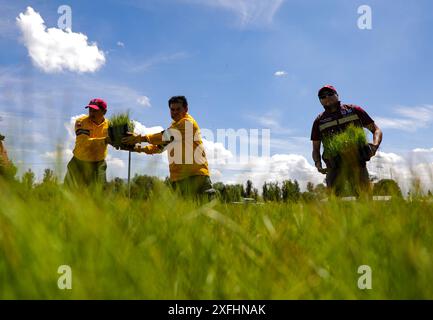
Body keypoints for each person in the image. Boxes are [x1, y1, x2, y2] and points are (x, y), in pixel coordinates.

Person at [122, 96, 214, 198]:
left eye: (178, 109)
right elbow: (160, 147)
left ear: (186, 109)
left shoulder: (187, 123)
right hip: (178, 178)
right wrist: (137, 148)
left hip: (195, 176)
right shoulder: (174, 126)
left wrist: (138, 138)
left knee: (202, 210)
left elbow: (164, 136)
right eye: (172, 109)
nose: (174, 112)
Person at [311, 85, 383, 196]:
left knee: (365, 198)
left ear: (337, 95)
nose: (327, 97)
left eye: (330, 94)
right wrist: (318, 164)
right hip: (334, 166)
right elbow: (315, 148)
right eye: (322, 96)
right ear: (320, 100)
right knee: (334, 201)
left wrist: (374, 145)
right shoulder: (319, 121)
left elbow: (376, 130)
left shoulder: (353, 110)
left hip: (357, 163)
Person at [64, 98, 111, 188]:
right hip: (78, 163)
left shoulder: (110, 125)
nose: (91, 113)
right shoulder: (81, 122)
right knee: (68, 193)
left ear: (104, 112)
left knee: (98, 194)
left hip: (98, 164)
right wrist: (105, 140)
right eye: (90, 110)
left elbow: (116, 140)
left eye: (95, 110)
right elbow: (84, 142)